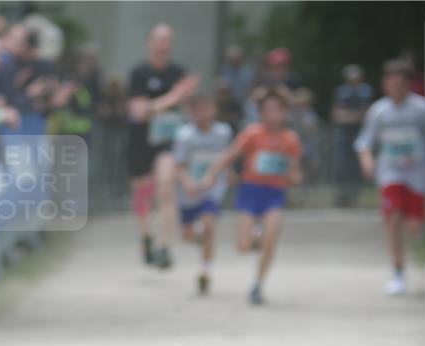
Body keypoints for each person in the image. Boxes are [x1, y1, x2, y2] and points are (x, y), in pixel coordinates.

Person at [203, 86, 303, 305]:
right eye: (268, 109)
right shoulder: (253, 134)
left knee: (271, 238)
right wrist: (213, 172)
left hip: (274, 193)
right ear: (261, 112)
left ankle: (258, 284)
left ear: (285, 112)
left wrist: (288, 174)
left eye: (277, 109)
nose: (272, 114)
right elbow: (231, 155)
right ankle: (256, 235)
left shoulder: (290, 139)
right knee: (243, 245)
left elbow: (296, 175)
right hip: (250, 191)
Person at [355, 59, 425, 296]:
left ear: (409, 85)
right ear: (385, 84)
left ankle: (420, 225)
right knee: (393, 218)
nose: (396, 88)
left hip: (417, 173)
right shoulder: (379, 111)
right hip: (390, 172)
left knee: (414, 228)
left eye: (401, 84)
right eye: (392, 83)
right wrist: (367, 160)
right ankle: (397, 273)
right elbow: (364, 142)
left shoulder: (423, 109)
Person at [126, 23, 198, 268]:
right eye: (159, 39)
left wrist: (187, 100)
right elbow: (138, 112)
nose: (163, 44)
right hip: (140, 141)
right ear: (149, 43)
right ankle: (146, 236)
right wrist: (172, 98)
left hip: (167, 142)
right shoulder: (139, 74)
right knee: (142, 195)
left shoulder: (179, 73)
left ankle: (164, 247)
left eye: (168, 39)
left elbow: (187, 111)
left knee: (166, 189)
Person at [174, 92, 232, 295]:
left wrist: (226, 173)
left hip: (213, 189)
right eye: (197, 110)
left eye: (205, 108)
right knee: (188, 236)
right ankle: (199, 237)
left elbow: (227, 156)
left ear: (214, 109)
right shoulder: (185, 136)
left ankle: (205, 271)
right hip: (189, 192)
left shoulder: (223, 132)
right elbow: (179, 165)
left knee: (208, 226)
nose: (202, 113)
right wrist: (188, 182)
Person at [331, 64, 373, 206]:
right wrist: (354, 116)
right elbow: (337, 114)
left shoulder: (365, 91)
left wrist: (349, 116)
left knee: (357, 164)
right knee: (342, 164)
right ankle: (342, 196)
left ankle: (355, 196)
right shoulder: (342, 91)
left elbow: (365, 114)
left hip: (360, 132)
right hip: (344, 134)